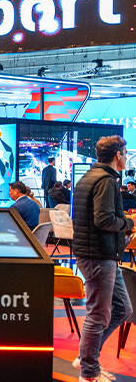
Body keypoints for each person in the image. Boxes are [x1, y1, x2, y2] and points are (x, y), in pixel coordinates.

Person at [72, 135, 135, 382]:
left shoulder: (90, 177)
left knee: (123, 309)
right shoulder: (106, 180)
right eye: (125, 153)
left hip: (100, 253)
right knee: (98, 314)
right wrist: (128, 223)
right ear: (117, 155)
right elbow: (104, 219)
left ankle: (86, 357)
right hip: (98, 255)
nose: (126, 157)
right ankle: (89, 372)